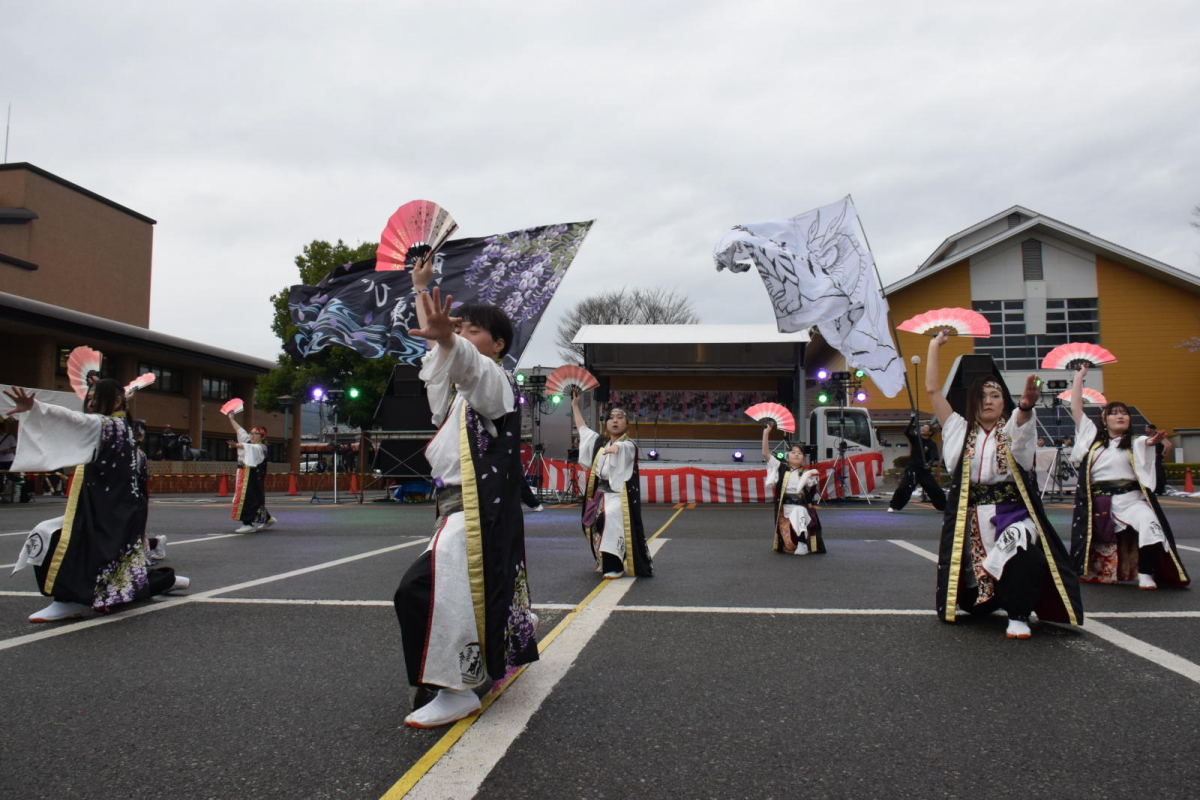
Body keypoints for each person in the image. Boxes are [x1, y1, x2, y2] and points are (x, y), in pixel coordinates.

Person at [392, 277, 538, 729]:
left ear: (497, 344)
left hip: (474, 514)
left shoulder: (496, 383)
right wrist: (421, 286)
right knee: (461, 594)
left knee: (420, 590)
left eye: (472, 329)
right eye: (460, 326)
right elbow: (445, 366)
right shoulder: (463, 394)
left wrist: (449, 338)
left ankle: (456, 689)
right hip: (458, 510)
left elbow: (466, 365)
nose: (461, 333)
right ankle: (461, 674)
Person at [925, 331, 1083, 639]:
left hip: (1012, 513)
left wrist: (1024, 406)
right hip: (971, 519)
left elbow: (1021, 434)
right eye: (982, 396)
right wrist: (934, 346)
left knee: (1022, 549)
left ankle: (1018, 615)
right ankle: (987, 593)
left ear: (1003, 401)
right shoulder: (958, 428)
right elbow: (932, 389)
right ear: (972, 401)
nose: (988, 400)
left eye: (995, 395)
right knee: (973, 600)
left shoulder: (1011, 427)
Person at [4, 381, 188, 622]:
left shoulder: (105, 424)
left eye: (94, 398)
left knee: (60, 541)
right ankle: (168, 580)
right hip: (119, 509)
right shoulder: (126, 427)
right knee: (114, 568)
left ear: (115, 402)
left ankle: (67, 600)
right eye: (88, 398)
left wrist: (35, 407)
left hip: (103, 508)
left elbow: (71, 419)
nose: (89, 403)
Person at [1068, 367, 1189, 590]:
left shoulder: (1136, 441)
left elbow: (1146, 444)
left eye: (1124, 412)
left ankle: (1145, 573)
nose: (1120, 416)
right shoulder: (1091, 439)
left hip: (1132, 500)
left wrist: (1152, 443)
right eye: (1114, 413)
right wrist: (1078, 377)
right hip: (1100, 503)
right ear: (1104, 419)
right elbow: (1076, 408)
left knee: (1151, 524)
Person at [572, 390, 654, 580]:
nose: (615, 421)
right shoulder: (600, 443)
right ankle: (604, 560)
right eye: (611, 418)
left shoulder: (629, 445)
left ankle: (615, 565)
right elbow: (582, 429)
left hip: (619, 496)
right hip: (601, 493)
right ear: (606, 424)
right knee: (593, 525)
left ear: (626, 425)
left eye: (620, 418)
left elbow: (625, 448)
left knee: (611, 521)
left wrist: (617, 447)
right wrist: (575, 406)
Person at [761, 423, 823, 555]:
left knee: (800, 511)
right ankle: (799, 543)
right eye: (793, 452)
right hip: (786, 508)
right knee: (795, 515)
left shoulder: (806, 474)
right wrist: (766, 433)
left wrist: (812, 475)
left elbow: (811, 491)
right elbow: (766, 454)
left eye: (800, 453)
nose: (797, 455)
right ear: (787, 457)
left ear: (803, 460)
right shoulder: (781, 468)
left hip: (802, 506)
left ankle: (802, 543)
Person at [888, 414, 946, 513]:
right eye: (922, 427)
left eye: (926, 428)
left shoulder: (931, 444)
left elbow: (933, 457)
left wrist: (929, 463)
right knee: (904, 487)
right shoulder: (916, 439)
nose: (923, 429)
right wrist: (912, 420)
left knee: (935, 489)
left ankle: (944, 507)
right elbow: (906, 432)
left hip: (924, 471)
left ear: (930, 432)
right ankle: (893, 506)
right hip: (912, 469)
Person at [228, 412, 274, 533]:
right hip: (243, 473)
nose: (253, 435)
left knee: (249, 497)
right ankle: (267, 519)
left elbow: (248, 447)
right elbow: (240, 431)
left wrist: (235, 445)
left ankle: (247, 523)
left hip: (252, 476)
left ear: (262, 436)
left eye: (256, 434)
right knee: (253, 498)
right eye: (252, 433)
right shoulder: (249, 442)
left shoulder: (260, 447)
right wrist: (231, 419)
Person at [1145, 424, 1168, 496]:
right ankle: (1154, 489)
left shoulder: (1158, 436)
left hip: (1157, 457)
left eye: (1147, 428)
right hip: (1152, 458)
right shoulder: (1149, 437)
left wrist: (1163, 453)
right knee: (1153, 473)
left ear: (1152, 429)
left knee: (1158, 473)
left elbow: (1168, 445)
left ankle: (1160, 489)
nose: (1145, 429)